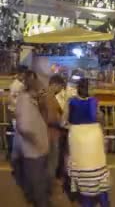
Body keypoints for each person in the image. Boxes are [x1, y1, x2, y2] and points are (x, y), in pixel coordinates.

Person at [66, 78, 110, 206]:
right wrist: (103, 135)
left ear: (77, 89)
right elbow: (100, 118)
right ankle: (104, 202)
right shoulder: (94, 101)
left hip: (77, 137)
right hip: (94, 136)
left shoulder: (71, 102)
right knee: (97, 167)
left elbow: (65, 120)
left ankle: (86, 201)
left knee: (82, 169)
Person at [16, 70, 50, 207]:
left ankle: (35, 198)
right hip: (33, 150)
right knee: (38, 181)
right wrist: (35, 141)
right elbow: (23, 127)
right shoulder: (25, 100)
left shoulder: (32, 99)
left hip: (38, 149)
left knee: (37, 179)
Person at [39, 74, 66, 189]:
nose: (60, 90)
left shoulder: (44, 95)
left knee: (48, 161)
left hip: (45, 134)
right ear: (55, 85)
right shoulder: (49, 97)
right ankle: (48, 186)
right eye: (60, 87)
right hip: (51, 134)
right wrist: (62, 125)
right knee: (52, 162)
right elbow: (50, 119)